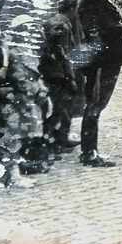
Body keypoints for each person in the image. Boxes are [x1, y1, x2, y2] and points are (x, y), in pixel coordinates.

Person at [76, 0, 122, 167]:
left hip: (108, 60)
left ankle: (89, 150)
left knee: (97, 105)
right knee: (95, 105)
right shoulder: (91, 1)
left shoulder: (102, 0)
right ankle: (89, 153)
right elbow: (93, 32)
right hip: (101, 62)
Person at [39, 14, 80, 154]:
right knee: (55, 115)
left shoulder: (58, 47)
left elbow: (65, 63)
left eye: (61, 30)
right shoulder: (45, 49)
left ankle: (59, 140)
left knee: (62, 113)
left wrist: (71, 79)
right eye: (56, 29)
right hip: (53, 84)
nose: (60, 32)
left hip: (62, 84)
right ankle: (52, 143)